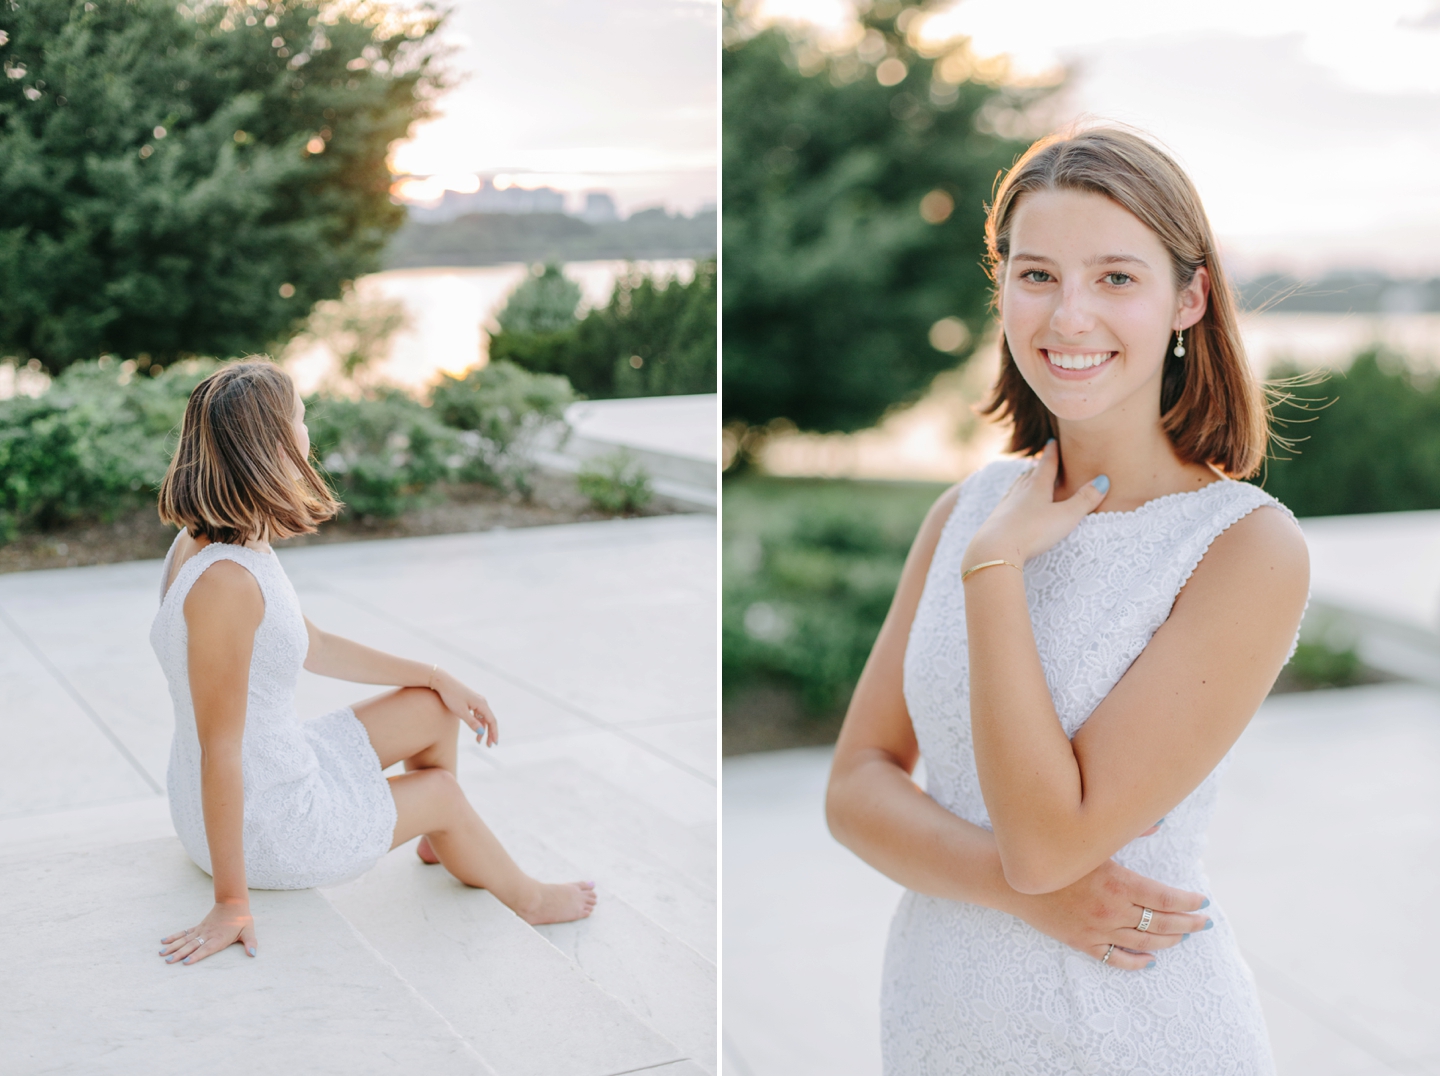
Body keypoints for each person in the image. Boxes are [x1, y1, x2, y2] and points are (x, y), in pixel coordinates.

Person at [825, 127, 1309, 1073]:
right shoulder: (965, 511)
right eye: (1037, 275)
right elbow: (855, 787)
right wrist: (1018, 895)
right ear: (1001, 289)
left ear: (1190, 298)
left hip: (1128, 1030)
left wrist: (997, 576)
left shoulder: (1243, 547)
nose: (1069, 316)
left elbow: (1047, 845)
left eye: (1117, 278)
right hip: (940, 1019)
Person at [152, 361, 596, 967]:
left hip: (269, 769)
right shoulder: (225, 585)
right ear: (270, 444)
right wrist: (231, 901)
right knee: (441, 790)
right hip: (266, 824)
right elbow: (221, 750)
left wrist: (436, 674)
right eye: (300, 418)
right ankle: (530, 898)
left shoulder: (223, 539)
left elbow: (314, 645)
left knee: (432, 707)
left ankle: (443, 842)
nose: (309, 430)